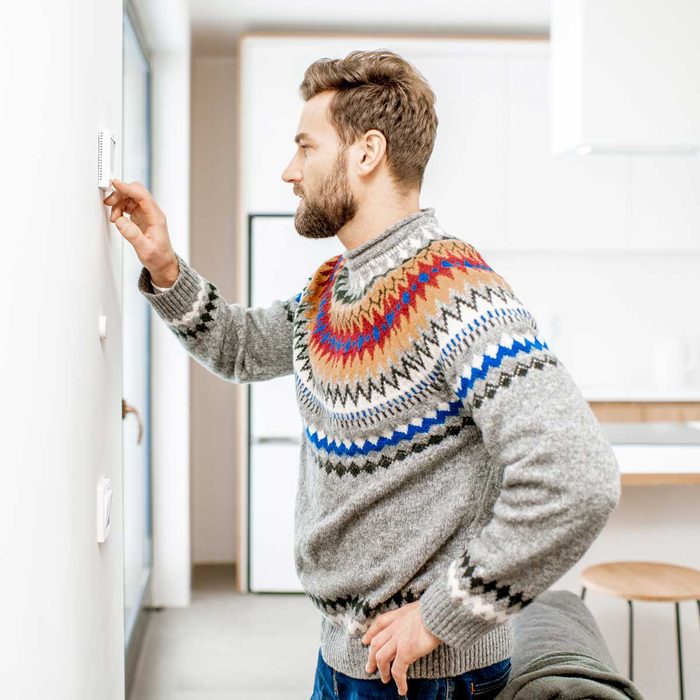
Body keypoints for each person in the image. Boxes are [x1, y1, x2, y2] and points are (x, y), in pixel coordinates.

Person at [103, 49, 621, 700]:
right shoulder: (334, 287)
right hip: (347, 657)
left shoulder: (456, 294)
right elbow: (240, 346)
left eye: (305, 147)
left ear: (366, 152)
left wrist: (441, 615)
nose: (290, 172)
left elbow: (579, 477)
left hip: (427, 676)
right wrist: (166, 267)